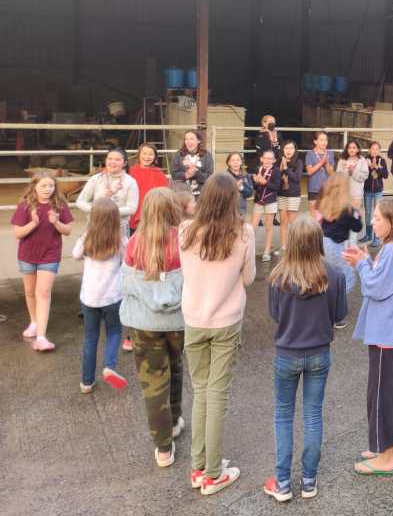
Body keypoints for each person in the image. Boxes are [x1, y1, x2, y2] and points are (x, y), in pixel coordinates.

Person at [180, 173, 257, 495]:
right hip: (226, 319)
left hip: (194, 318)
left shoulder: (185, 230)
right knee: (217, 394)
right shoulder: (243, 232)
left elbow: (185, 271)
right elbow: (249, 278)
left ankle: (199, 467)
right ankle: (213, 473)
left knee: (200, 392)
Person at [263, 216, 347, 502]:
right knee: (313, 414)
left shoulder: (278, 276)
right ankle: (309, 480)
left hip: (287, 353)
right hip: (319, 353)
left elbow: (275, 314)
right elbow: (339, 315)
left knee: (283, 415)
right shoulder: (334, 275)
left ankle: (283, 482)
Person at [343, 198, 393, 475]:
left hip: (386, 332)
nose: (372, 222)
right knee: (389, 391)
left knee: (381, 394)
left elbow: (375, 287)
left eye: (378, 218)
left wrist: (362, 264)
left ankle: (384, 456)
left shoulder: (392, 249)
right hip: (391, 332)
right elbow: (385, 282)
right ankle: (389, 448)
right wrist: (368, 262)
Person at [120, 187, 186, 468]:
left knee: (154, 383)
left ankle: (163, 449)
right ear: (173, 210)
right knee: (176, 367)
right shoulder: (183, 240)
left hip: (144, 323)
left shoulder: (134, 243)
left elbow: (126, 284)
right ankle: (175, 420)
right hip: (177, 322)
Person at [13, 169, 73, 352]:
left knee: (44, 292)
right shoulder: (25, 206)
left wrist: (56, 222)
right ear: (34, 186)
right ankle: (34, 322)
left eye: (51, 185)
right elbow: (18, 233)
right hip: (27, 255)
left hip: (50, 255)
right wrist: (33, 223)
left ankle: (41, 337)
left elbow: (68, 230)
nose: (48, 189)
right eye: (43, 185)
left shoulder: (60, 205)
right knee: (30, 291)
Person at [74, 197, 127, 392]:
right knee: (114, 332)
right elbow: (128, 260)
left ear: (93, 217)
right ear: (116, 218)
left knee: (90, 337)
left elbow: (75, 254)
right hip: (113, 297)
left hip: (89, 297)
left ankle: (86, 382)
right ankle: (109, 366)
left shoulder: (87, 237)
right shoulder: (120, 239)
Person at [318, 172, 363, 321]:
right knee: (347, 278)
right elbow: (357, 227)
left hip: (323, 243)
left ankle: (326, 308)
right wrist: (357, 214)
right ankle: (337, 313)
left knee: (330, 276)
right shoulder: (347, 210)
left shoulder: (325, 202)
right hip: (335, 246)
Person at [77, 148, 139, 236]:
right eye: (110, 158)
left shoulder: (130, 182)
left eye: (117, 159)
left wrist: (109, 211)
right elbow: (80, 201)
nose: (112, 162)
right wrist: (96, 210)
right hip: (95, 226)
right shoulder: (96, 179)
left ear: (125, 163)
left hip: (119, 228)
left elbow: (132, 208)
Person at [129, 142, 169, 234]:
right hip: (133, 213)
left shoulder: (159, 174)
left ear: (155, 157)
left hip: (152, 215)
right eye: (144, 153)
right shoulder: (130, 171)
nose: (147, 157)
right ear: (139, 155)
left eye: (150, 154)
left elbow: (164, 197)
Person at [251, 149, 281, 262]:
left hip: (270, 201)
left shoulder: (276, 171)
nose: (268, 160)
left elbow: (276, 187)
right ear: (261, 159)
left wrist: (265, 182)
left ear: (274, 160)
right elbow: (255, 187)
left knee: (269, 226)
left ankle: (267, 250)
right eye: (266, 158)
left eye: (270, 158)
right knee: (252, 226)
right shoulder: (257, 169)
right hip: (258, 200)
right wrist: (255, 182)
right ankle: (249, 249)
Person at [171, 130, 215, 199]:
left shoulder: (206, 155)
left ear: (199, 141)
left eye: (192, 139)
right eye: (186, 139)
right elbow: (174, 174)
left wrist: (196, 173)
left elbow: (209, 176)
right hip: (182, 194)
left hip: (201, 194)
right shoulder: (178, 155)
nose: (188, 142)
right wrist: (186, 174)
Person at [361, 141, 389, 247]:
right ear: (369, 150)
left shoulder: (382, 161)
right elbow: (363, 174)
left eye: (377, 149)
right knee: (368, 213)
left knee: (378, 214)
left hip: (378, 191)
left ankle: (376, 238)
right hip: (367, 190)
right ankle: (368, 235)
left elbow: (386, 175)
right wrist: (369, 167)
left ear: (379, 150)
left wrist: (377, 168)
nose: (375, 151)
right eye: (373, 148)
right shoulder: (364, 160)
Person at [277, 140, 303, 252]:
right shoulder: (278, 161)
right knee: (283, 222)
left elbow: (297, 178)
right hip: (281, 195)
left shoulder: (298, 162)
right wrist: (280, 168)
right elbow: (276, 178)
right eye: (286, 148)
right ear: (283, 150)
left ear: (295, 150)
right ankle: (283, 246)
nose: (289, 150)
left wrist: (286, 168)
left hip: (293, 195)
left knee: (293, 222)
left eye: (291, 148)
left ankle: (295, 246)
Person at [304, 131, 335, 213]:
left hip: (327, 188)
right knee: (315, 215)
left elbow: (331, 173)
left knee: (326, 214)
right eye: (321, 140)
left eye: (326, 140)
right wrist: (321, 162)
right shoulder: (310, 154)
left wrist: (326, 162)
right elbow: (309, 172)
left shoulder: (330, 153)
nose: (324, 142)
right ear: (315, 141)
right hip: (313, 188)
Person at [338, 141, 369, 216]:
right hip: (344, 194)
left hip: (357, 195)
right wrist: (347, 171)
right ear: (347, 149)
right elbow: (338, 177)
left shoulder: (362, 160)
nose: (351, 150)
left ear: (357, 149)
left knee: (355, 217)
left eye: (354, 148)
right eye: (349, 148)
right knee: (344, 217)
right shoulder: (342, 160)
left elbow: (364, 176)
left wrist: (353, 171)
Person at [225, 152, 253, 217]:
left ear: (241, 162)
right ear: (228, 163)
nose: (235, 162)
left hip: (241, 211)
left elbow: (250, 193)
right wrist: (234, 188)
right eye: (233, 160)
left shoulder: (246, 175)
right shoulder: (225, 176)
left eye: (238, 160)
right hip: (228, 211)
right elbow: (222, 195)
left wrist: (241, 188)